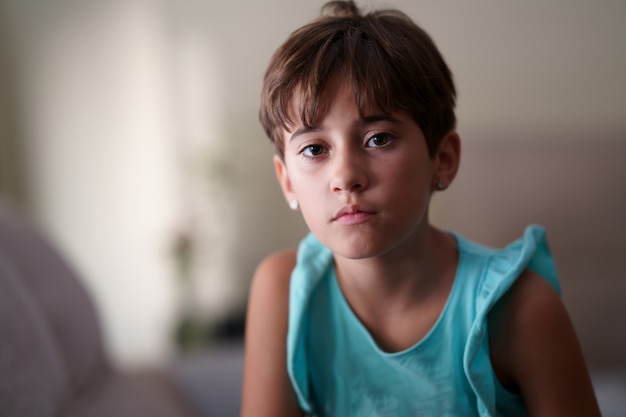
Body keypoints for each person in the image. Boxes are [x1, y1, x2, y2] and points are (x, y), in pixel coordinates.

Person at [241, 1, 601, 416]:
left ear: (442, 159)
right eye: (314, 148)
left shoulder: (520, 311)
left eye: (378, 139)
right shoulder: (282, 290)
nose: (345, 176)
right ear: (287, 180)